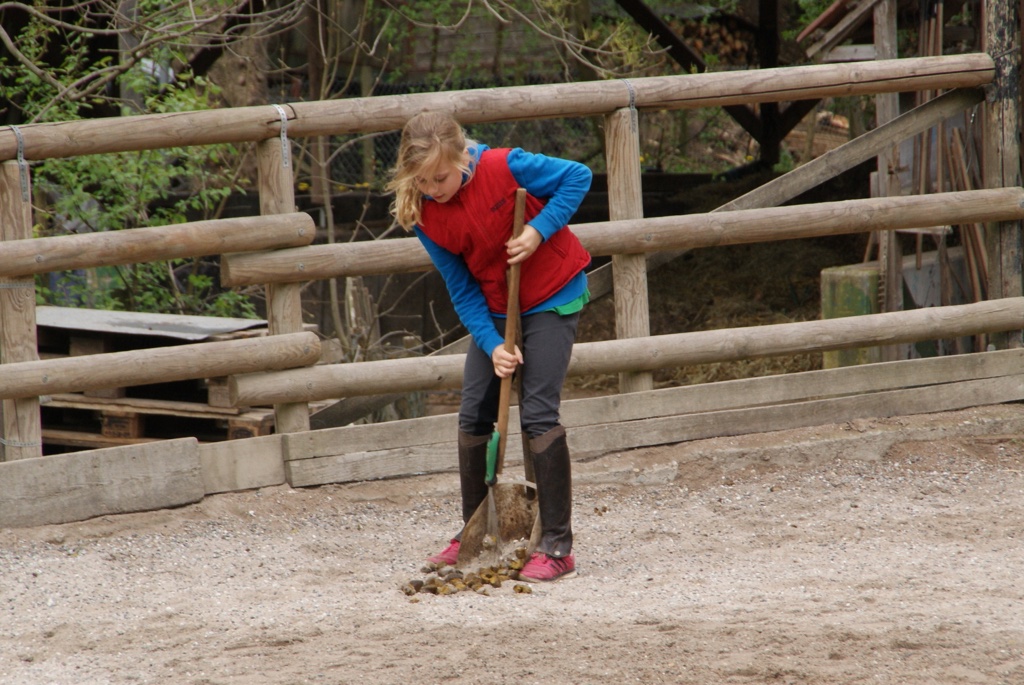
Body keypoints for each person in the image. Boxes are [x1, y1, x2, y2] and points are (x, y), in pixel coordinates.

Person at [387, 111, 592, 582]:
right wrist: (492, 344)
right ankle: (475, 531)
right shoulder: (423, 213)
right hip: (496, 308)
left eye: (440, 178)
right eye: (421, 180)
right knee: (474, 412)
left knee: (538, 412)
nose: (432, 188)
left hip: (552, 294)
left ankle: (557, 544)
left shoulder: (505, 166)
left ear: (462, 158)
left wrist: (539, 230)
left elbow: (578, 177)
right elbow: (461, 288)